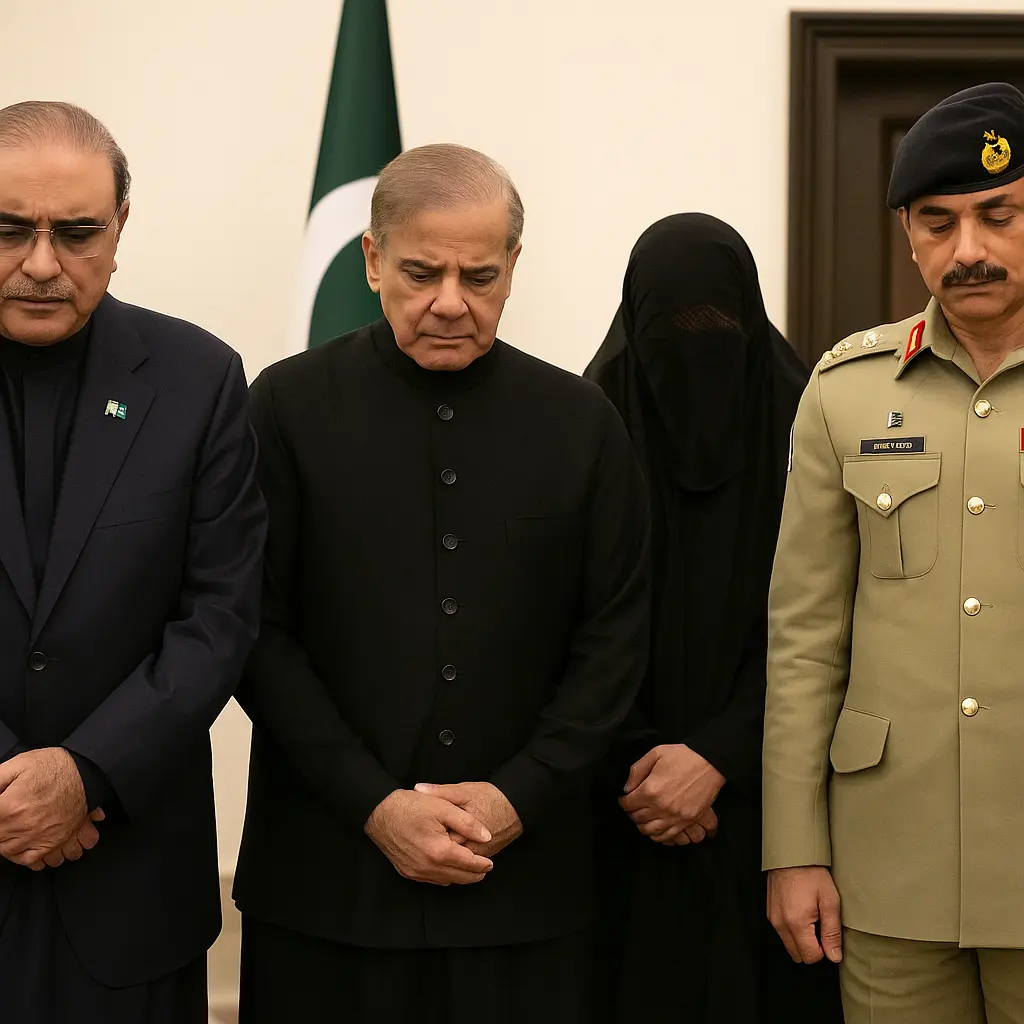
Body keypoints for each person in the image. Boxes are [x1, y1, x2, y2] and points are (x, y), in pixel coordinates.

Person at [233, 143, 651, 1024]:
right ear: (373, 260)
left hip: (527, 890)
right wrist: (374, 805)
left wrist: (519, 796)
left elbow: (614, 638)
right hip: (326, 883)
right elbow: (254, 632)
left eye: (480, 275)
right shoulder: (284, 406)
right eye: (422, 273)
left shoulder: (582, 422)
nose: (452, 303)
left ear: (513, 268)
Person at [0, 101, 266, 1023]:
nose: (41, 264)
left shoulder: (200, 379)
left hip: (129, 883)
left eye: (75, 233)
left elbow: (220, 615)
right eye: (8, 231)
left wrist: (85, 771)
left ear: (121, 228)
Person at [764, 81, 1024, 1023]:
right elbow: (804, 637)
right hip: (893, 867)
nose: (969, 250)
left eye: (999, 216)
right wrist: (792, 848)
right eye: (938, 222)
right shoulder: (846, 389)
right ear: (909, 238)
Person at [584, 213, 842, 1023]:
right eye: (672, 331)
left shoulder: (812, 426)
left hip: (777, 813)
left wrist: (718, 752)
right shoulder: (583, 431)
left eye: (716, 329)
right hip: (614, 807)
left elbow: (842, 619)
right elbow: (551, 625)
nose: (695, 353)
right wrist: (641, 760)